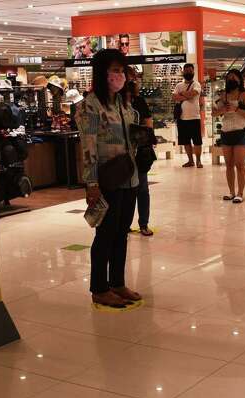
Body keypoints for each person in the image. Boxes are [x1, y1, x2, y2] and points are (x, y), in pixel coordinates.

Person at [78, 49, 142, 308]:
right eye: (114, 70)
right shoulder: (90, 106)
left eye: (122, 70)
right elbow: (88, 146)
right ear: (102, 73)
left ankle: (117, 282)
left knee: (122, 233)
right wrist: (91, 183)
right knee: (105, 234)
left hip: (130, 177)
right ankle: (99, 287)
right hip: (107, 179)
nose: (119, 75)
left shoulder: (124, 104)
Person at [213, 69, 245, 204]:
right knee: (229, 164)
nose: (231, 80)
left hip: (240, 132)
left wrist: (236, 109)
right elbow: (214, 113)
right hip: (226, 132)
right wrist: (222, 110)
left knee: (239, 164)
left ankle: (240, 193)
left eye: (234, 77)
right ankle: (231, 192)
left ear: (239, 80)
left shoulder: (244, 96)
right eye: (229, 78)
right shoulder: (222, 96)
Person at [125, 65, 155, 235]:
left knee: (142, 188)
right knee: (126, 190)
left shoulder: (139, 101)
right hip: (122, 153)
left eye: (132, 77)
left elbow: (148, 124)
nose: (130, 80)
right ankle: (125, 223)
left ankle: (143, 223)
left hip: (139, 151)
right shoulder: (114, 102)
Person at [173, 63, 203, 168]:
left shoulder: (196, 84)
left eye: (190, 71)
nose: (188, 73)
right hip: (182, 118)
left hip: (194, 117)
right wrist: (186, 95)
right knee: (186, 141)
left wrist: (181, 94)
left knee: (197, 141)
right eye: (186, 71)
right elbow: (174, 97)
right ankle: (190, 161)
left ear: (193, 72)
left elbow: (193, 94)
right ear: (183, 72)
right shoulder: (178, 85)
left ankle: (198, 161)